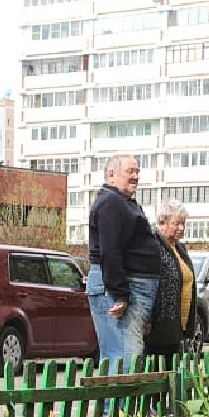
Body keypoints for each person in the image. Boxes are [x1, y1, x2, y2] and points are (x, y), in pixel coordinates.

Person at [86, 154, 159, 372]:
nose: (136, 176)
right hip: (114, 286)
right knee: (120, 355)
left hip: (122, 284)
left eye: (137, 172)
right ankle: (114, 407)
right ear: (111, 175)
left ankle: (121, 406)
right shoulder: (111, 202)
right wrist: (120, 293)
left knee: (127, 355)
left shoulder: (122, 201)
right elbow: (111, 251)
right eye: (130, 171)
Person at [145, 201, 198, 362]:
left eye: (183, 223)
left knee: (172, 372)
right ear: (162, 222)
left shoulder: (180, 249)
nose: (181, 228)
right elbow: (148, 284)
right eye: (176, 223)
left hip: (177, 326)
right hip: (159, 326)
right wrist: (148, 319)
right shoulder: (153, 246)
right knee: (158, 371)